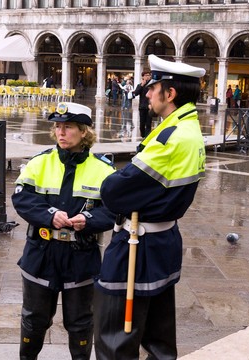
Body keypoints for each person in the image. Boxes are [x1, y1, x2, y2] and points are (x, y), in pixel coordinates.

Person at [94, 54, 207, 359]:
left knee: (115, 337)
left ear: (170, 94)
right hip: (163, 241)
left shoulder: (171, 137)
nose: (146, 92)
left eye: (152, 86)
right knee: (159, 338)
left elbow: (114, 192)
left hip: (137, 247)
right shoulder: (189, 128)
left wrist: (114, 179)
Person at [12, 102, 116, 360]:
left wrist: (88, 219)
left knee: (80, 322)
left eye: (68, 127)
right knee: (33, 320)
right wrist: (49, 215)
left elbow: (114, 210)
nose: (60, 132)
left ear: (83, 131)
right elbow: (22, 199)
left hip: (81, 256)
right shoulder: (40, 163)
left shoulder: (104, 170)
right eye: (58, 126)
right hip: (41, 253)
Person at [132, 71, 152, 137]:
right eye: (146, 75)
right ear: (143, 76)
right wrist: (142, 85)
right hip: (142, 107)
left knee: (148, 124)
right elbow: (136, 93)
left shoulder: (152, 85)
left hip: (149, 107)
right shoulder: (140, 85)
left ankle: (146, 138)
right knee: (142, 124)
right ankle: (143, 135)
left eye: (149, 75)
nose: (147, 76)